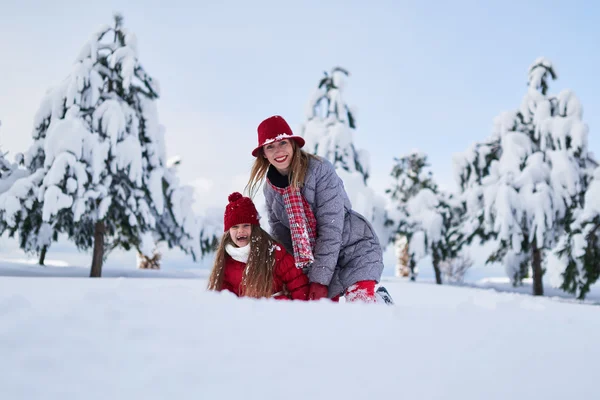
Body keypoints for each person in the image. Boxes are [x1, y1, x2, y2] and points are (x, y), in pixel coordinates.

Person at [246, 115, 393, 304]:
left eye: (282, 142)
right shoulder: (271, 190)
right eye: (270, 147)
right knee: (323, 317)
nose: (278, 151)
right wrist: (294, 279)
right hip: (315, 261)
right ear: (264, 154)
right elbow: (283, 240)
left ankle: (381, 301)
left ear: (292, 144)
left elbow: (331, 228)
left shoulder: (319, 170)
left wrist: (319, 280)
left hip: (352, 247)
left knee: (362, 308)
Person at [207, 192, 309, 300]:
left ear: (255, 228)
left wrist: (293, 308)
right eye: (235, 227)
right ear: (228, 231)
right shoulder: (227, 261)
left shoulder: (273, 252)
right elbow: (225, 298)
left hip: (279, 312)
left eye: (246, 225)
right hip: (248, 315)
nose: (241, 231)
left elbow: (299, 285)